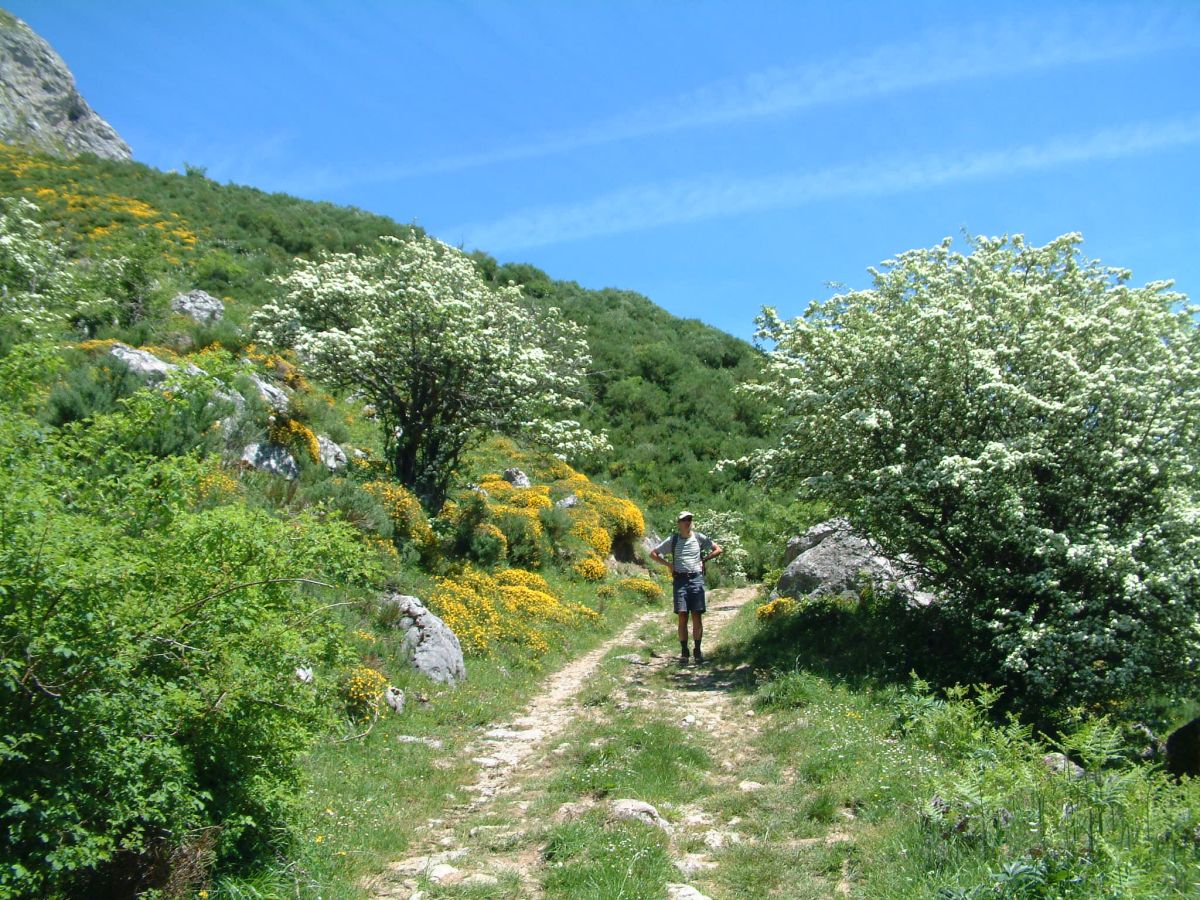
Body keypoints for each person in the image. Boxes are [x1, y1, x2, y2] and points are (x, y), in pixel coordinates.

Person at [650, 511, 722, 664]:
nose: (687, 522)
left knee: (697, 615)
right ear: (679, 523)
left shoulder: (699, 537)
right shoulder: (673, 540)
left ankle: (697, 650)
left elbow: (718, 549)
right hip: (680, 580)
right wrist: (669, 565)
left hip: (696, 578)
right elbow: (654, 553)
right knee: (682, 615)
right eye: (684, 520)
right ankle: (684, 651)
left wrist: (704, 560)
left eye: (689, 519)